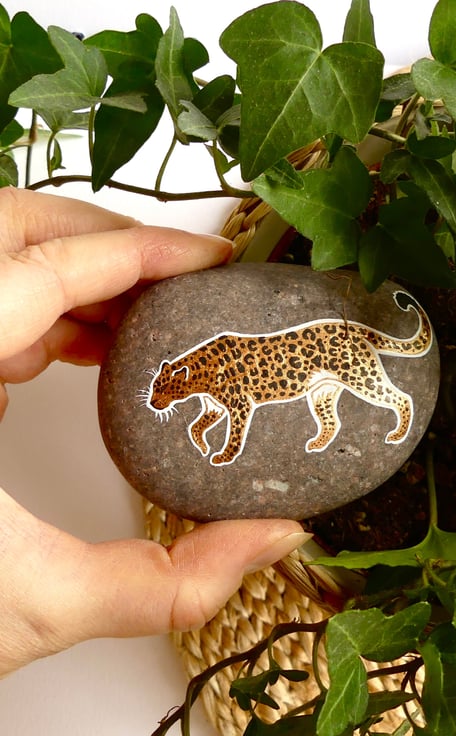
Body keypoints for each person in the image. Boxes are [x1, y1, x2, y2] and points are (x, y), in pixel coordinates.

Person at [0, 188, 309, 678]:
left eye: (166, 393)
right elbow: (213, 405)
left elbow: (237, 406)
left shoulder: (216, 373)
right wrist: (203, 431)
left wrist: (227, 446)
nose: (160, 403)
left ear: (178, 377)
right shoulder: (201, 376)